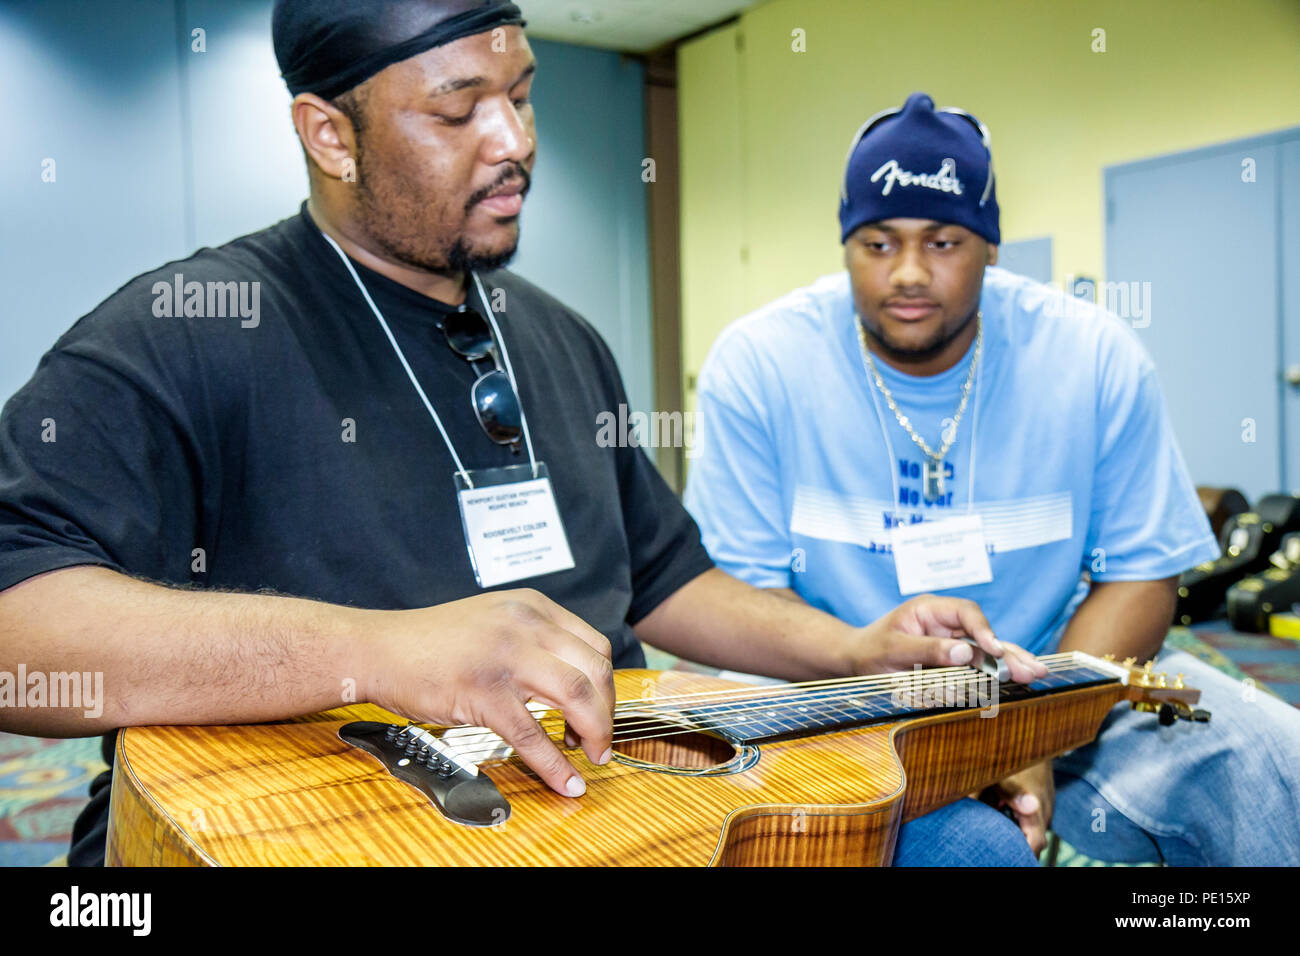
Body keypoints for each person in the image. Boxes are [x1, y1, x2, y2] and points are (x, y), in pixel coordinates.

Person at [0, 8, 1041, 867]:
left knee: (972, 847)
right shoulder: (189, 330)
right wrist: (376, 650)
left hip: (608, 807)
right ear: (329, 135)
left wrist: (850, 648)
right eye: (458, 111)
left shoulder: (560, 337)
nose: (514, 142)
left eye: (522, 94)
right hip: (324, 829)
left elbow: (664, 579)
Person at [684, 91, 1300, 866]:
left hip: (1061, 676)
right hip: (829, 688)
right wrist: (871, 673)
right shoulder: (760, 364)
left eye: (943, 242)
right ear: (845, 245)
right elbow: (745, 596)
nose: (909, 273)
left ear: (991, 246)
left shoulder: (1092, 357)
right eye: (878, 242)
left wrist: (1032, 730)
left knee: (1274, 761)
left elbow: (1142, 575)